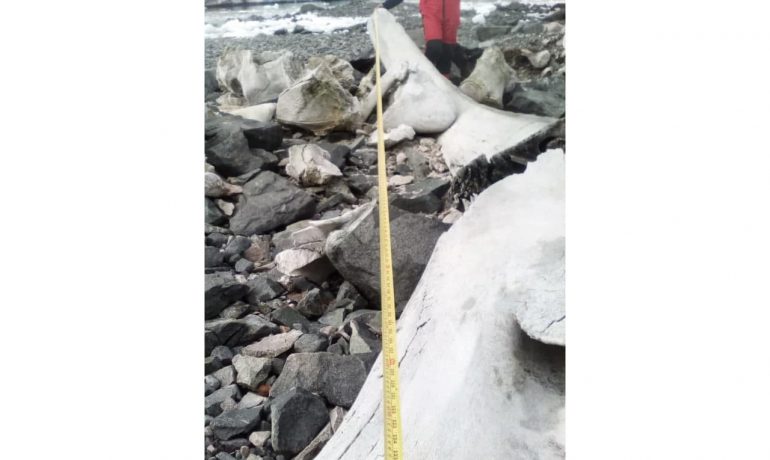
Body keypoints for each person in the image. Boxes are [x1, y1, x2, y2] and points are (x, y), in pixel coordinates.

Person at [380, 0, 462, 78]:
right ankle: (423, 76)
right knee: (434, 46)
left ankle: (444, 83)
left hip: (452, 13)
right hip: (432, 10)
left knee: (447, 52)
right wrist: (386, 5)